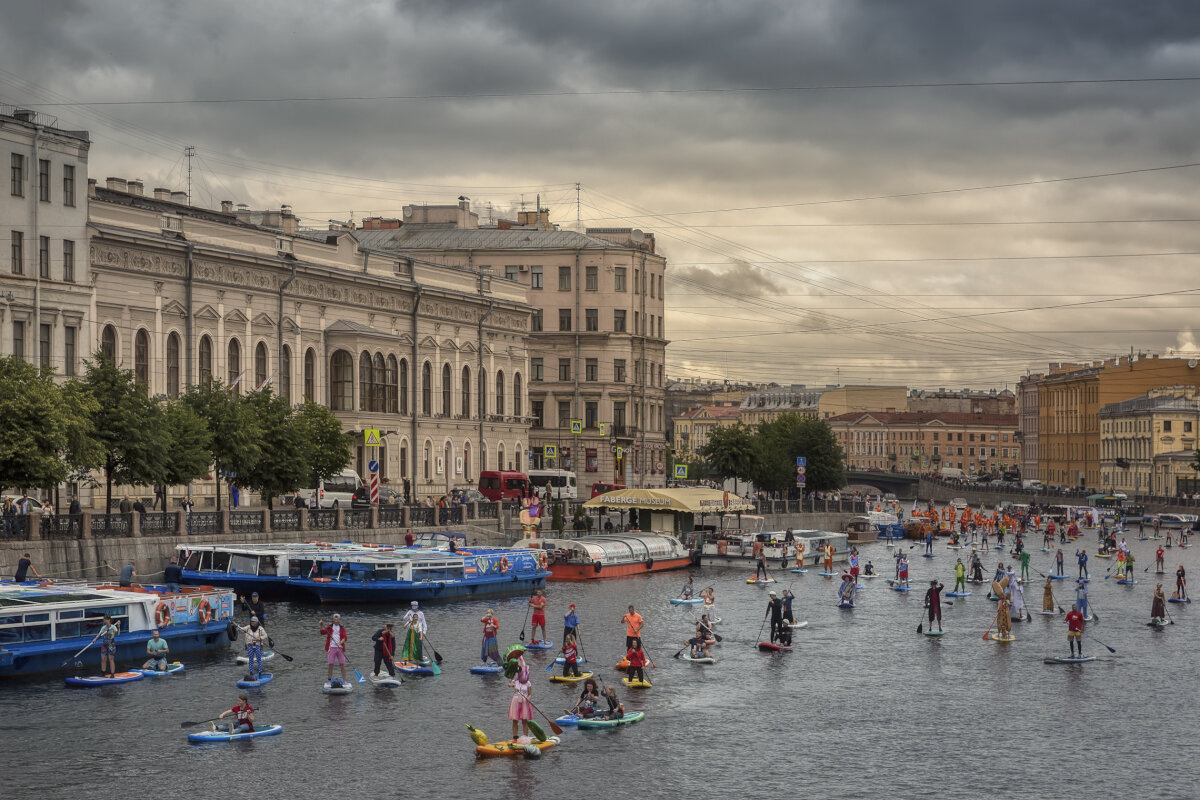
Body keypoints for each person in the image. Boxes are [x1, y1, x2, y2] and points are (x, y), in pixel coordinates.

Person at [319, 613, 348, 685]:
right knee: (331, 664)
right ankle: (329, 681)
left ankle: (344, 681)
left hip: (340, 648)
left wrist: (340, 643)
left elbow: (345, 638)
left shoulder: (342, 628)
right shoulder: (329, 627)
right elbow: (322, 632)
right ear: (333, 620)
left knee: (342, 664)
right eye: (335, 620)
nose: (336, 621)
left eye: (337, 620)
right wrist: (321, 625)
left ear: (339, 620)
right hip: (331, 648)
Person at [508, 659, 534, 739]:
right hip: (516, 701)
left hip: (524, 702)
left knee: (524, 720)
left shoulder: (528, 683)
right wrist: (511, 684)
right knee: (515, 720)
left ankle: (525, 736)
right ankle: (515, 736)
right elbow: (510, 684)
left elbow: (530, 694)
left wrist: (528, 699)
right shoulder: (516, 681)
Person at [97, 613, 120, 678]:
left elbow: (117, 633)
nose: (104, 621)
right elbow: (100, 634)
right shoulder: (103, 627)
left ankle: (112, 674)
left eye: (105, 619)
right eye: (104, 619)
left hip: (111, 644)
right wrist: (95, 639)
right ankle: (103, 673)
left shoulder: (113, 627)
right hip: (104, 644)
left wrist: (118, 627)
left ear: (108, 620)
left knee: (111, 659)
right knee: (103, 658)